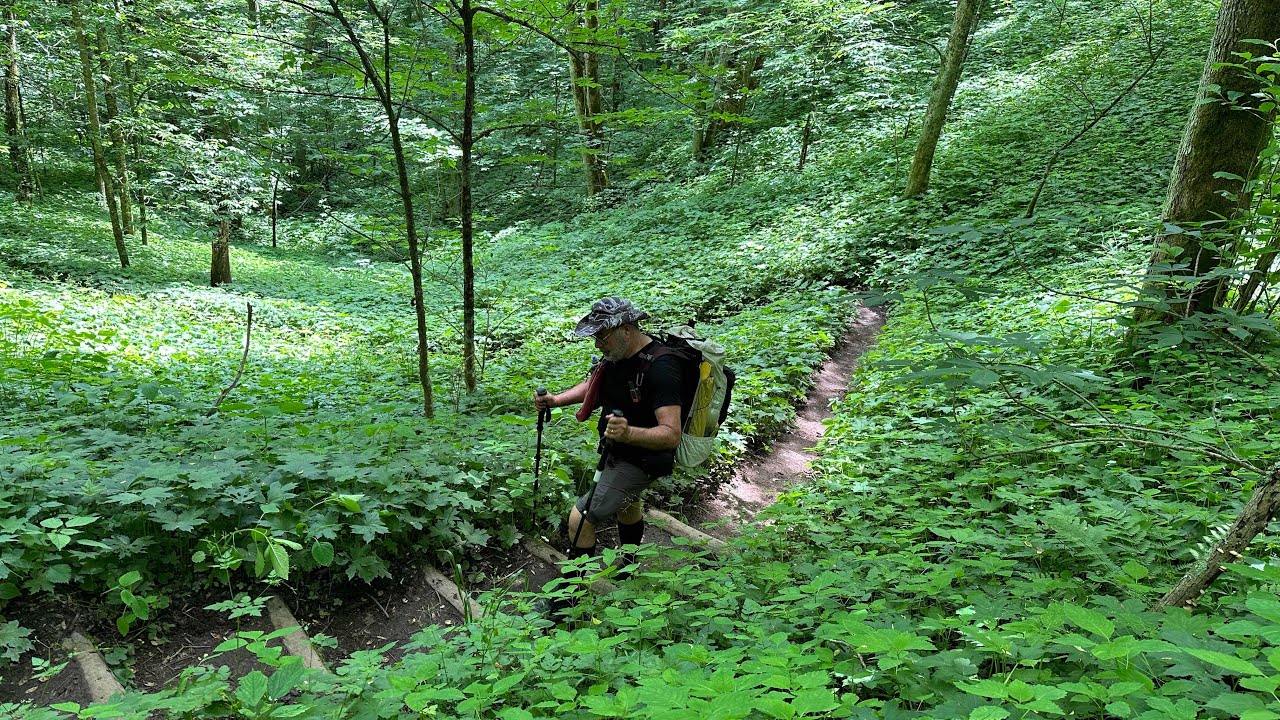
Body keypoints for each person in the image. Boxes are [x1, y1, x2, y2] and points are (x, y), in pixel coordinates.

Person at [534, 297, 687, 590]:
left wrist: (628, 433)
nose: (597, 345)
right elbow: (595, 384)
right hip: (619, 449)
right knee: (627, 505)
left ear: (626, 329)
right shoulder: (618, 356)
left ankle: (569, 596)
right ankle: (629, 568)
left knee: (580, 518)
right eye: (595, 337)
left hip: (643, 458)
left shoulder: (661, 368)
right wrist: (557, 400)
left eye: (602, 337)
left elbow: (671, 434)